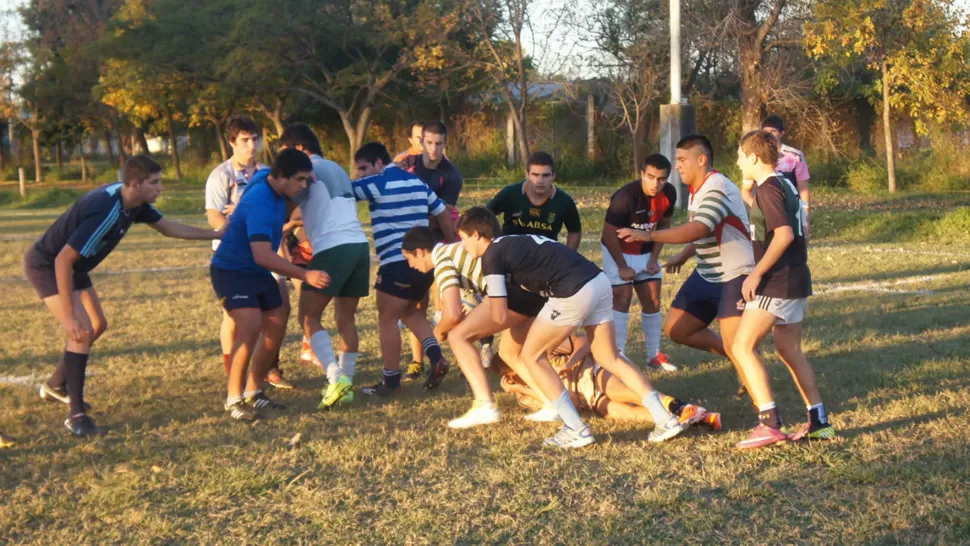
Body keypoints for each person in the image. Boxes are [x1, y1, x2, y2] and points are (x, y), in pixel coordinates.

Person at [24, 155, 225, 436]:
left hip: (75, 265)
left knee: (96, 325)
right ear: (134, 184)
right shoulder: (106, 211)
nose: (161, 189)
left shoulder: (134, 202)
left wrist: (217, 234)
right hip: (49, 264)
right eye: (155, 183)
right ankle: (76, 416)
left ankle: (56, 385)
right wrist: (69, 316)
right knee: (80, 332)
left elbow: (169, 228)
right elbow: (62, 260)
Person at [459, 207, 685, 449]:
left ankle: (575, 429)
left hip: (572, 290)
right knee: (610, 357)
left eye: (462, 238)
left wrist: (469, 321)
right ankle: (665, 418)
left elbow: (498, 314)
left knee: (531, 357)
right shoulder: (514, 242)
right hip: (598, 282)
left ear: (476, 234)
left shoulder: (491, 254)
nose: (462, 245)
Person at [617, 135, 754, 396]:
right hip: (708, 273)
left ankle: (766, 415)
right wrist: (685, 254)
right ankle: (742, 358)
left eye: (682, 160)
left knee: (739, 345)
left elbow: (698, 228)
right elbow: (707, 230)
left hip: (735, 275)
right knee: (677, 329)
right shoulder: (697, 189)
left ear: (701, 160)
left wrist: (650, 235)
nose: (676, 166)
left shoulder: (717, 187)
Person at [732, 130, 835, 449]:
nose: (736, 161)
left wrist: (755, 276)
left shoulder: (770, 188)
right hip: (794, 278)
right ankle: (820, 424)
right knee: (789, 349)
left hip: (778, 280)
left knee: (741, 347)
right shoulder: (785, 184)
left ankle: (769, 423)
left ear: (752, 157)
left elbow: (785, 235)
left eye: (739, 155)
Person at [211, 149, 329, 422]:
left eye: (306, 180)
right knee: (250, 326)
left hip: (256, 270)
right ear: (282, 177)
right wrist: (305, 275)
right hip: (231, 269)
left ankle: (254, 391)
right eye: (299, 180)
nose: (303, 186)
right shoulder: (262, 203)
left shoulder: (267, 177)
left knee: (276, 321)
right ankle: (234, 399)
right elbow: (262, 254)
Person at [401, 225, 554, 429]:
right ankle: (553, 403)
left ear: (420, 252)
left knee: (458, 337)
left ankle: (485, 405)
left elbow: (453, 314)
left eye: (409, 259)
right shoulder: (456, 250)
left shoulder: (443, 259)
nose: (410, 266)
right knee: (511, 354)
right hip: (531, 291)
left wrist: (439, 331)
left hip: (512, 293)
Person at [352, 142, 456, 396]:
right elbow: (443, 212)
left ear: (379, 163)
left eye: (363, 168)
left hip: (398, 261)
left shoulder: (379, 182)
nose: (360, 174)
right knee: (411, 312)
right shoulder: (418, 183)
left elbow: (345, 191)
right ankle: (437, 357)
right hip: (425, 262)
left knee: (387, 319)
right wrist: (450, 243)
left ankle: (391, 382)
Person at [280, 123, 370, 409]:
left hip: (333, 248)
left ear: (298, 149)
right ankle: (349, 384)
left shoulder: (306, 172)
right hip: (359, 246)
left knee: (308, 316)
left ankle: (335, 379)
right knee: (346, 319)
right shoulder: (337, 168)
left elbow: (286, 205)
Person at [205, 115, 292, 389]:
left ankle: (269, 367)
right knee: (235, 318)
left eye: (255, 139)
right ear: (232, 142)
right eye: (244, 140)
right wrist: (236, 229)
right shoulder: (221, 175)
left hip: (268, 251)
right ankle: (235, 372)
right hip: (236, 255)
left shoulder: (267, 173)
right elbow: (213, 215)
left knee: (280, 308)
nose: (251, 145)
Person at [493, 333, 721, 430]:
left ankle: (680, 406)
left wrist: (570, 362)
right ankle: (692, 419)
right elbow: (565, 404)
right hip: (591, 400)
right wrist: (523, 388)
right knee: (619, 412)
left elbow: (585, 341)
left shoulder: (543, 349)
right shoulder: (525, 397)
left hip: (596, 371)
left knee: (620, 391)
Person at [396, 121, 464, 378]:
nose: (434, 148)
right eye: (429, 142)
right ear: (420, 141)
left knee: (449, 303)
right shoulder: (407, 164)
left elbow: (441, 216)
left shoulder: (452, 175)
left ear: (446, 143)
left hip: (436, 244)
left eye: (439, 143)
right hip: (412, 242)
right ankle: (417, 361)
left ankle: (459, 351)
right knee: (415, 303)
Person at [601, 153, 678, 372]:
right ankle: (618, 356)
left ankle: (654, 355)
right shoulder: (624, 197)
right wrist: (622, 266)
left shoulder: (669, 194)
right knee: (623, 297)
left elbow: (664, 227)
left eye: (661, 179)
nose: (656, 183)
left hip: (645, 250)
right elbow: (608, 235)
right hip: (618, 251)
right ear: (642, 174)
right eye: (651, 177)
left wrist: (654, 259)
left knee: (653, 298)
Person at [486, 151, 582, 249]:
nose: (540, 180)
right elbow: (484, 215)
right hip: (509, 253)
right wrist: (493, 245)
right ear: (527, 174)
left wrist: (567, 257)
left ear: (553, 175)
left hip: (546, 256)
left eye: (546, 175)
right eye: (535, 174)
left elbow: (574, 231)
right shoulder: (510, 193)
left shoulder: (564, 201)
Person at [762, 115, 811, 239]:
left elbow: (803, 188)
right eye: (766, 131)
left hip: (790, 208)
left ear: (781, 133)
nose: (769, 135)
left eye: (773, 131)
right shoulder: (757, 155)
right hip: (766, 207)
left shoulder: (795, 156)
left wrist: (805, 216)